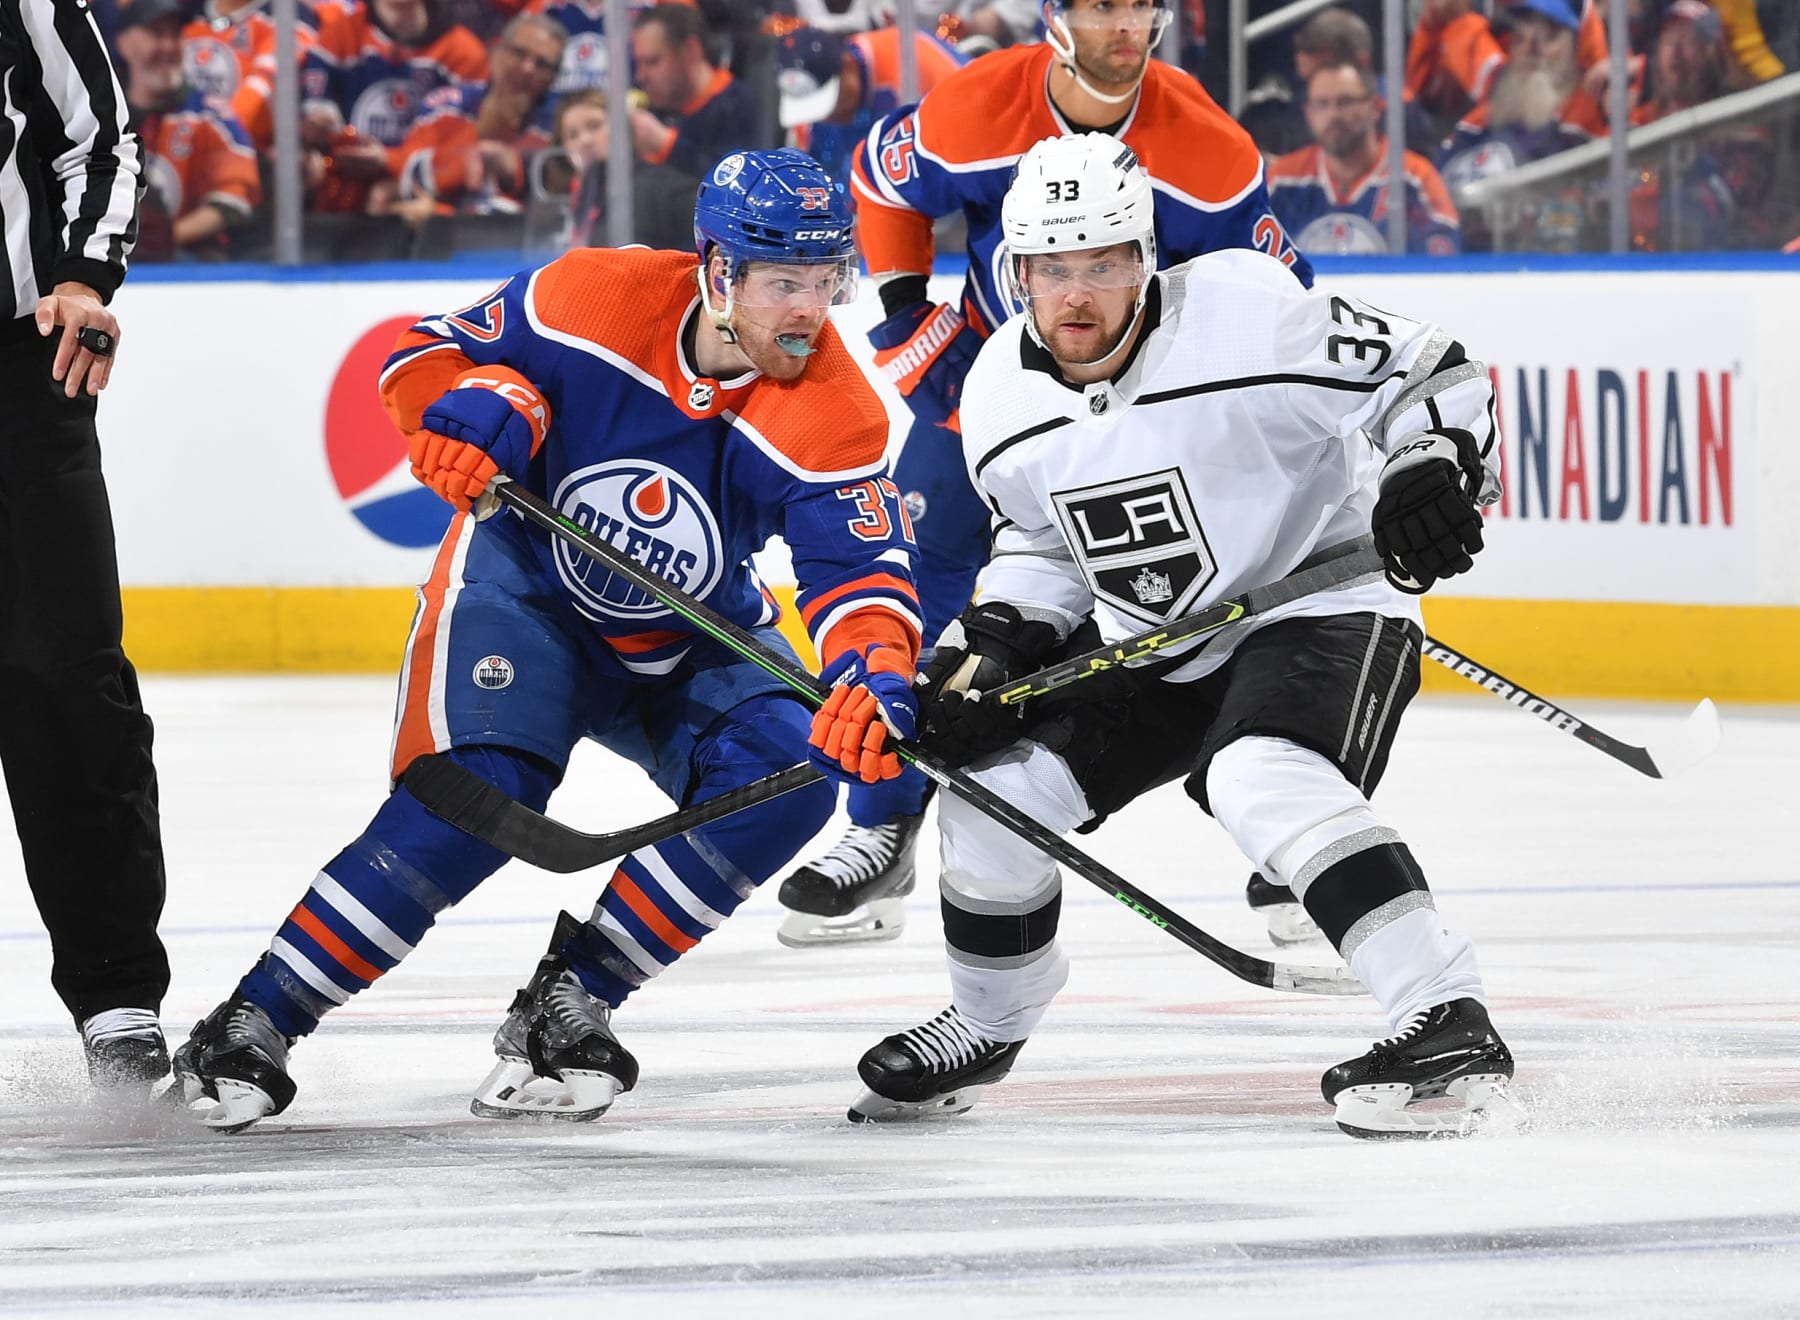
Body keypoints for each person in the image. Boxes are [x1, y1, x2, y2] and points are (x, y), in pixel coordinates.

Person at [169, 148, 922, 1132]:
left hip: (684, 631)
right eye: (784, 282)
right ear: (716, 268)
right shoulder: (589, 298)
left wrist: (873, 671)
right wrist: (470, 411)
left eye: (828, 283)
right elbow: (423, 355)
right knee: (486, 791)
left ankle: (566, 1008)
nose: (809, 312)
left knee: (788, 767)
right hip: (524, 591)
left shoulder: (838, 411)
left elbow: (858, 575)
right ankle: (251, 1022)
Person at [845, 132, 1520, 1140]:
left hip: (1313, 602)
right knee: (985, 802)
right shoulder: (996, 392)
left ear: (1144, 257)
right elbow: (1044, 545)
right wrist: (988, 652)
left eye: (1105, 264)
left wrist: (1428, 460)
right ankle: (987, 1023)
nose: (1079, 295)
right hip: (1152, 643)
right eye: (1054, 269)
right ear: (1015, 271)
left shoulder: (1248, 311)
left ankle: (1445, 1016)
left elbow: (1433, 370)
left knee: (1259, 775)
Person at [776, 0, 1313, 952]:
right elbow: (882, 187)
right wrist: (908, 327)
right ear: (1056, 17)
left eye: (1140, 6)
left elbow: (1284, 290)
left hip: (1147, 402)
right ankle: (883, 817)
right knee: (905, 578)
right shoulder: (978, 104)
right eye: (1101, 5)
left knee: (1227, 598)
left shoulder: (1209, 150)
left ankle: (1289, 837)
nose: (1124, 27)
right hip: (1000, 388)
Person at [1, 0, 172, 1091]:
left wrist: (87, 273)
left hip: (21, 373)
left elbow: (99, 134)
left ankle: (113, 990)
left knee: (66, 679)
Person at [116, 0, 264, 261]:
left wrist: (170, 236)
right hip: (101, 257)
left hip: (186, 263)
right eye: (157, 34)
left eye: (175, 35)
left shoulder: (211, 117)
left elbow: (234, 201)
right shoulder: (98, 116)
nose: (168, 46)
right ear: (124, 43)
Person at [1268, 61, 1461, 256]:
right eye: (1322, 104)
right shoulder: (1281, 180)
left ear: (1375, 107)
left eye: (1345, 102)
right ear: (1308, 113)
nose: (1333, 115)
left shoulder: (1414, 177)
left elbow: (1445, 256)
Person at [390, 12, 567, 216]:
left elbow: (559, 203)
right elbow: (408, 176)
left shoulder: (559, 123)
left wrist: (514, 166)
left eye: (542, 64)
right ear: (496, 53)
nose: (527, 69)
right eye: (519, 53)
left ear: (553, 78)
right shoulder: (447, 105)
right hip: (441, 242)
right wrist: (480, 132)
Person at [775, 25, 966, 193]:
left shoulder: (916, 57)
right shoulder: (811, 122)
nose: (827, 117)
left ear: (848, 65)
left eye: (831, 104)